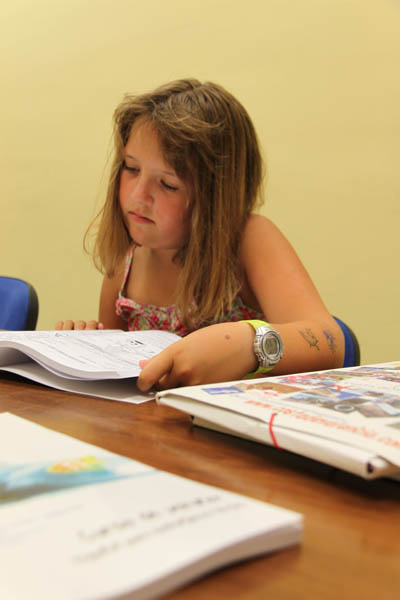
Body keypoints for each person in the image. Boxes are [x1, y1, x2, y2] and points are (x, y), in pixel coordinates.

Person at [56, 79, 344, 390]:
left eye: (168, 184)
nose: (138, 196)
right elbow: (120, 388)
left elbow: (330, 342)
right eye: (131, 168)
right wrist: (88, 348)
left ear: (216, 197)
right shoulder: (124, 265)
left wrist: (248, 344)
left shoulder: (249, 239)